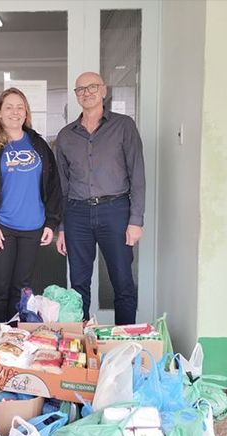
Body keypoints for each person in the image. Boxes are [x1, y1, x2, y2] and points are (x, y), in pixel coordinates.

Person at [0, 87, 63, 323]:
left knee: (21, 290)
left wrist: (51, 222)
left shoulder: (38, 145)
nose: (14, 112)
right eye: (8, 107)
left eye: (20, 107)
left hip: (32, 229)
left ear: (26, 113)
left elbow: (53, 186)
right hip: (1, 228)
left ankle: (15, 341)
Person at [55, 72, 145, 325]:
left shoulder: (123, 126)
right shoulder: (66, 136)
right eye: (80, 89)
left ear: (103, 90)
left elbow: (137, 174)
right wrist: (61, 227)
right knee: (78, 286)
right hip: (77, 214)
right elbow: (62, 185)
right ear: (76, 96)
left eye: (92, 87)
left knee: (122, 282)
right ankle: (82, 349)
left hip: (115, 211)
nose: (87, 92)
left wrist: (135, 220)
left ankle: (123, 347)